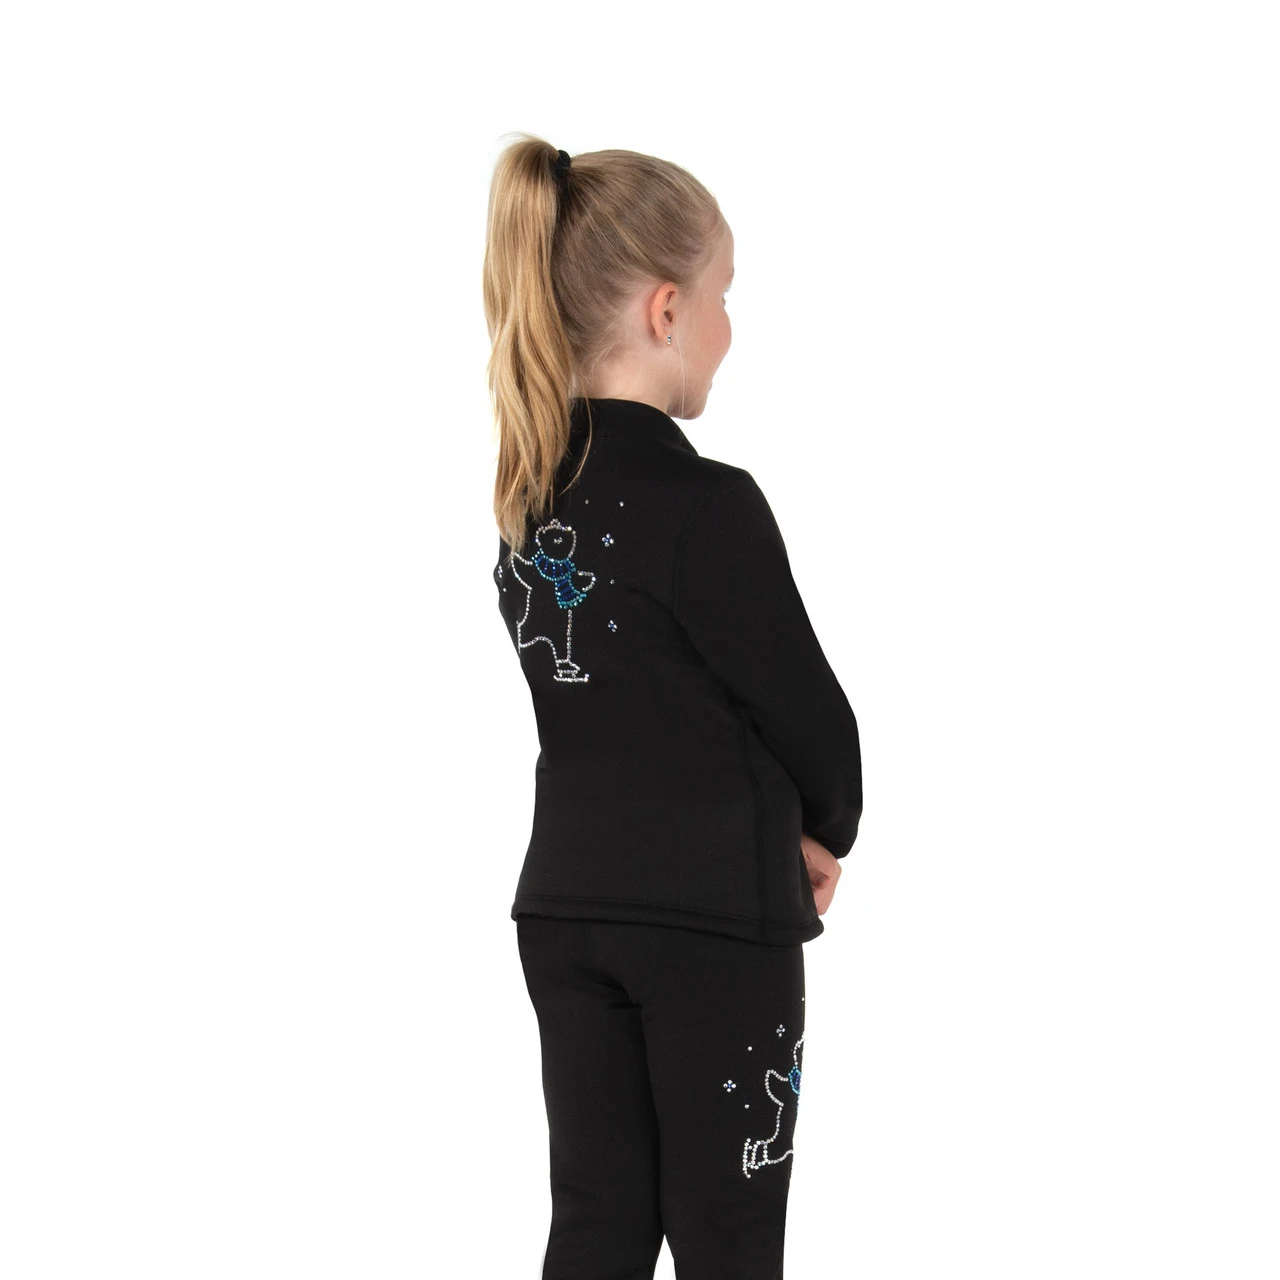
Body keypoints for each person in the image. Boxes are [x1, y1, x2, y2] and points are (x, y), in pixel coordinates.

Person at [482, 134, 864, 1280]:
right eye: (722, 296)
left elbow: (631, 705)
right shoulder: (707, 505)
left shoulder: (529, 506)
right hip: (711, 923)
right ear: (664, 310)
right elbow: (806, 712)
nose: (727, 326)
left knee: (595, 1229)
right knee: (725, 1241)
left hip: (565, 912)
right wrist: (822, 826)